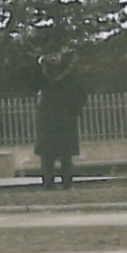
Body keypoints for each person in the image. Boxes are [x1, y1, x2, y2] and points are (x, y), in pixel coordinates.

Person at [35, 52, 87, 189]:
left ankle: (67, 182)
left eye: (56, 54)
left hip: (65, 117)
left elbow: (80, 94)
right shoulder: (42, 73)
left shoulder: (70, 75)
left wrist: (73, 110)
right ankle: (47, 183)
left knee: (66, 154)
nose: (53, 58)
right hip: (47, 119)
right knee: (47, 155)